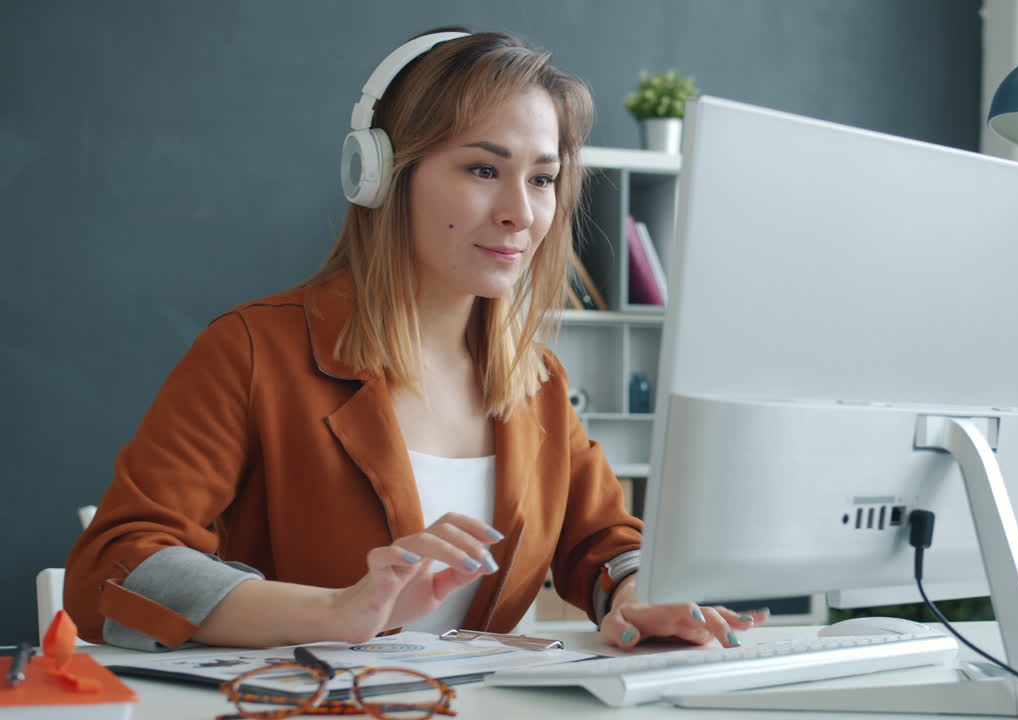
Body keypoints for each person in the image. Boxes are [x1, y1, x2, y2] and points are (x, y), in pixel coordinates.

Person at [64, 27, 766, 653]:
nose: (521, 213)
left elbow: (603, 542)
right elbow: (114, 570)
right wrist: (336, 611)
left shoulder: (537, 380)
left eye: (544, 179)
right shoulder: (251, 351)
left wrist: (637, 596)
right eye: (483, 169)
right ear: (381, 176)